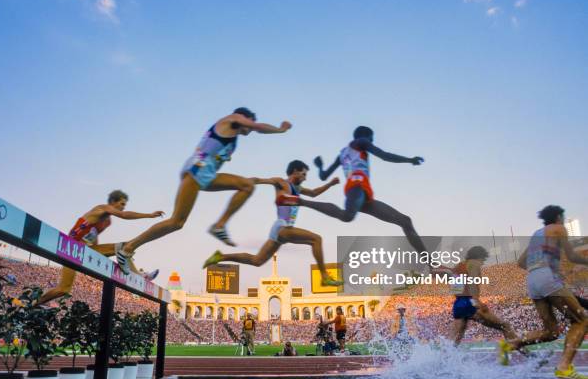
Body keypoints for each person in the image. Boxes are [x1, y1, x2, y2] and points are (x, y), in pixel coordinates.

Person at [116, 108, 291, 269]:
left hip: (206, 173)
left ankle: (219, 225)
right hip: (197, 169)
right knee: (176, 222)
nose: (251, 130)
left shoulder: (232, 138)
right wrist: (280, 130)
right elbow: (258, 127)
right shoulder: (233, 118)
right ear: (245, 118)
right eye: (250, 124)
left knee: (245, 186)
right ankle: (127, 249)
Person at [277, 126, 430, 264]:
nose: (372, 142)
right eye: (372, 139)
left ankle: (432, 266)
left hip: (362, 191)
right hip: (357, 186)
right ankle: (301, 202)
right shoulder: (362, 141)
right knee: (347, 216)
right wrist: (409, 160)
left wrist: (319, 166)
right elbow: (384, 156)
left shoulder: (342, 153)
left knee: (405, 221)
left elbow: (324, 175)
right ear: (367, 136)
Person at [203, 160, 342, 286]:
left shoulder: (298, 189)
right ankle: (324, 276)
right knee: (316, 239)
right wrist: (249, 182)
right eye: (304, 174)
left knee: (257, 261)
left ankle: (221, 256)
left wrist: (330, 184)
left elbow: (313, 193)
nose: (305, 178)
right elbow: (263, 180)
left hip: (278, 230)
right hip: (282, 227)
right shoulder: (281, 182)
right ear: (295, 171)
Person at [504, 205, 588, 379]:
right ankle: (564, 368)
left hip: (533, 280)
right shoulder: (559, 228)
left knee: (551, 332)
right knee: (581, 320)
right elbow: (572, 256)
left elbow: (520, 262)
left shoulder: (536, 234)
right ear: (558, 216)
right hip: (546, 277)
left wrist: (540, 270)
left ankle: (512, 343)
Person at [38, 190, 163, 305]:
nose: (123, 207)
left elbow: (93, 238)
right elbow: (124, 215)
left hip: (85, 249)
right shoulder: (102, 208)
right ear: (113, 202)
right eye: (122, 203)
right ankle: (34, 304)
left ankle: (139, 275)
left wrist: (98, 253)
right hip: (70, 248)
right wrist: (149, 215)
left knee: (124, 247)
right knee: (63, 289)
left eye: (124, 205)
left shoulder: (107, 221)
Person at [446, 246, 518, 364]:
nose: (483, 263)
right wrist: (476, 302)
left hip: (458, 304)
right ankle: (508, 359)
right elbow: (473, 284)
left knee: (454, 341)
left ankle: (442, 363)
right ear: (480, 256)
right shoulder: (474, 263)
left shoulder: (458, 266)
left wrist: (464, 302)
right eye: (483, 260)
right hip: (470, 302)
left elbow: (455, 289)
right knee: (505, 326)